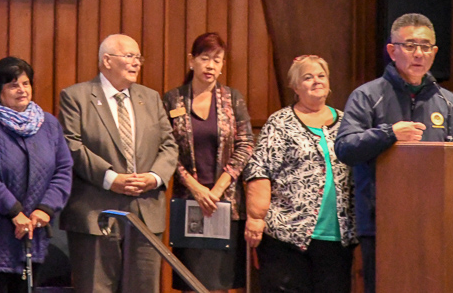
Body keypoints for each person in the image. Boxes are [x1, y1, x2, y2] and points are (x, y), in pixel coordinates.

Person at [335, 13, 453, 293]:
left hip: (439, 220)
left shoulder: (448, 101)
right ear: (391, 50)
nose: (419, 54)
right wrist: (388, 134)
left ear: (434, 52)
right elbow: (345, 147)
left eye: (425, 47)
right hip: (383, 221)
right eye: (410, 46)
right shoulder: (368, 95)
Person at [58, 34, 179, 293]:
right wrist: (111, 179)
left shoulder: (151, 97)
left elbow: (169, 146)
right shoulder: (75, 97)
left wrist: (155, 177)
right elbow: (72, 145)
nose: (136, 63)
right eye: (129, 56)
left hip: (145, 212)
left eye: (138, 57)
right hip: (95, 213)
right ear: (107, 60)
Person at [0, 56, 73, 292]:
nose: (22, 90)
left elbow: (63, 169)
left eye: (25, 83)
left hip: (35, 236)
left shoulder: (49, 124)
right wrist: (14, 211)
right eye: (13, 85)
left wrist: (46, 208)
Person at [244, 56, 356, 293]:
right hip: (287, 239)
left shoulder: (348, 123)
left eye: (321, 76)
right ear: (295, 87)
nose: (316, 81)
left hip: (337, 240)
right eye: (308, 77)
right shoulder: (280, 122)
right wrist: (255, 217)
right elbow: (259, 169)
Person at [162, 32, 254, 293]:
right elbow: (166, 150)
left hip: (226, 205)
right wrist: (197, 189)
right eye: (205, 58)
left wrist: (216, 190)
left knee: (220, 284)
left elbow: (246, 144)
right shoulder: (173, 100)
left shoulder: (232, 99)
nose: (211, 66)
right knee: (192, 283)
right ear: (192, 61)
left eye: (217, 60)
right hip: (189, 203)